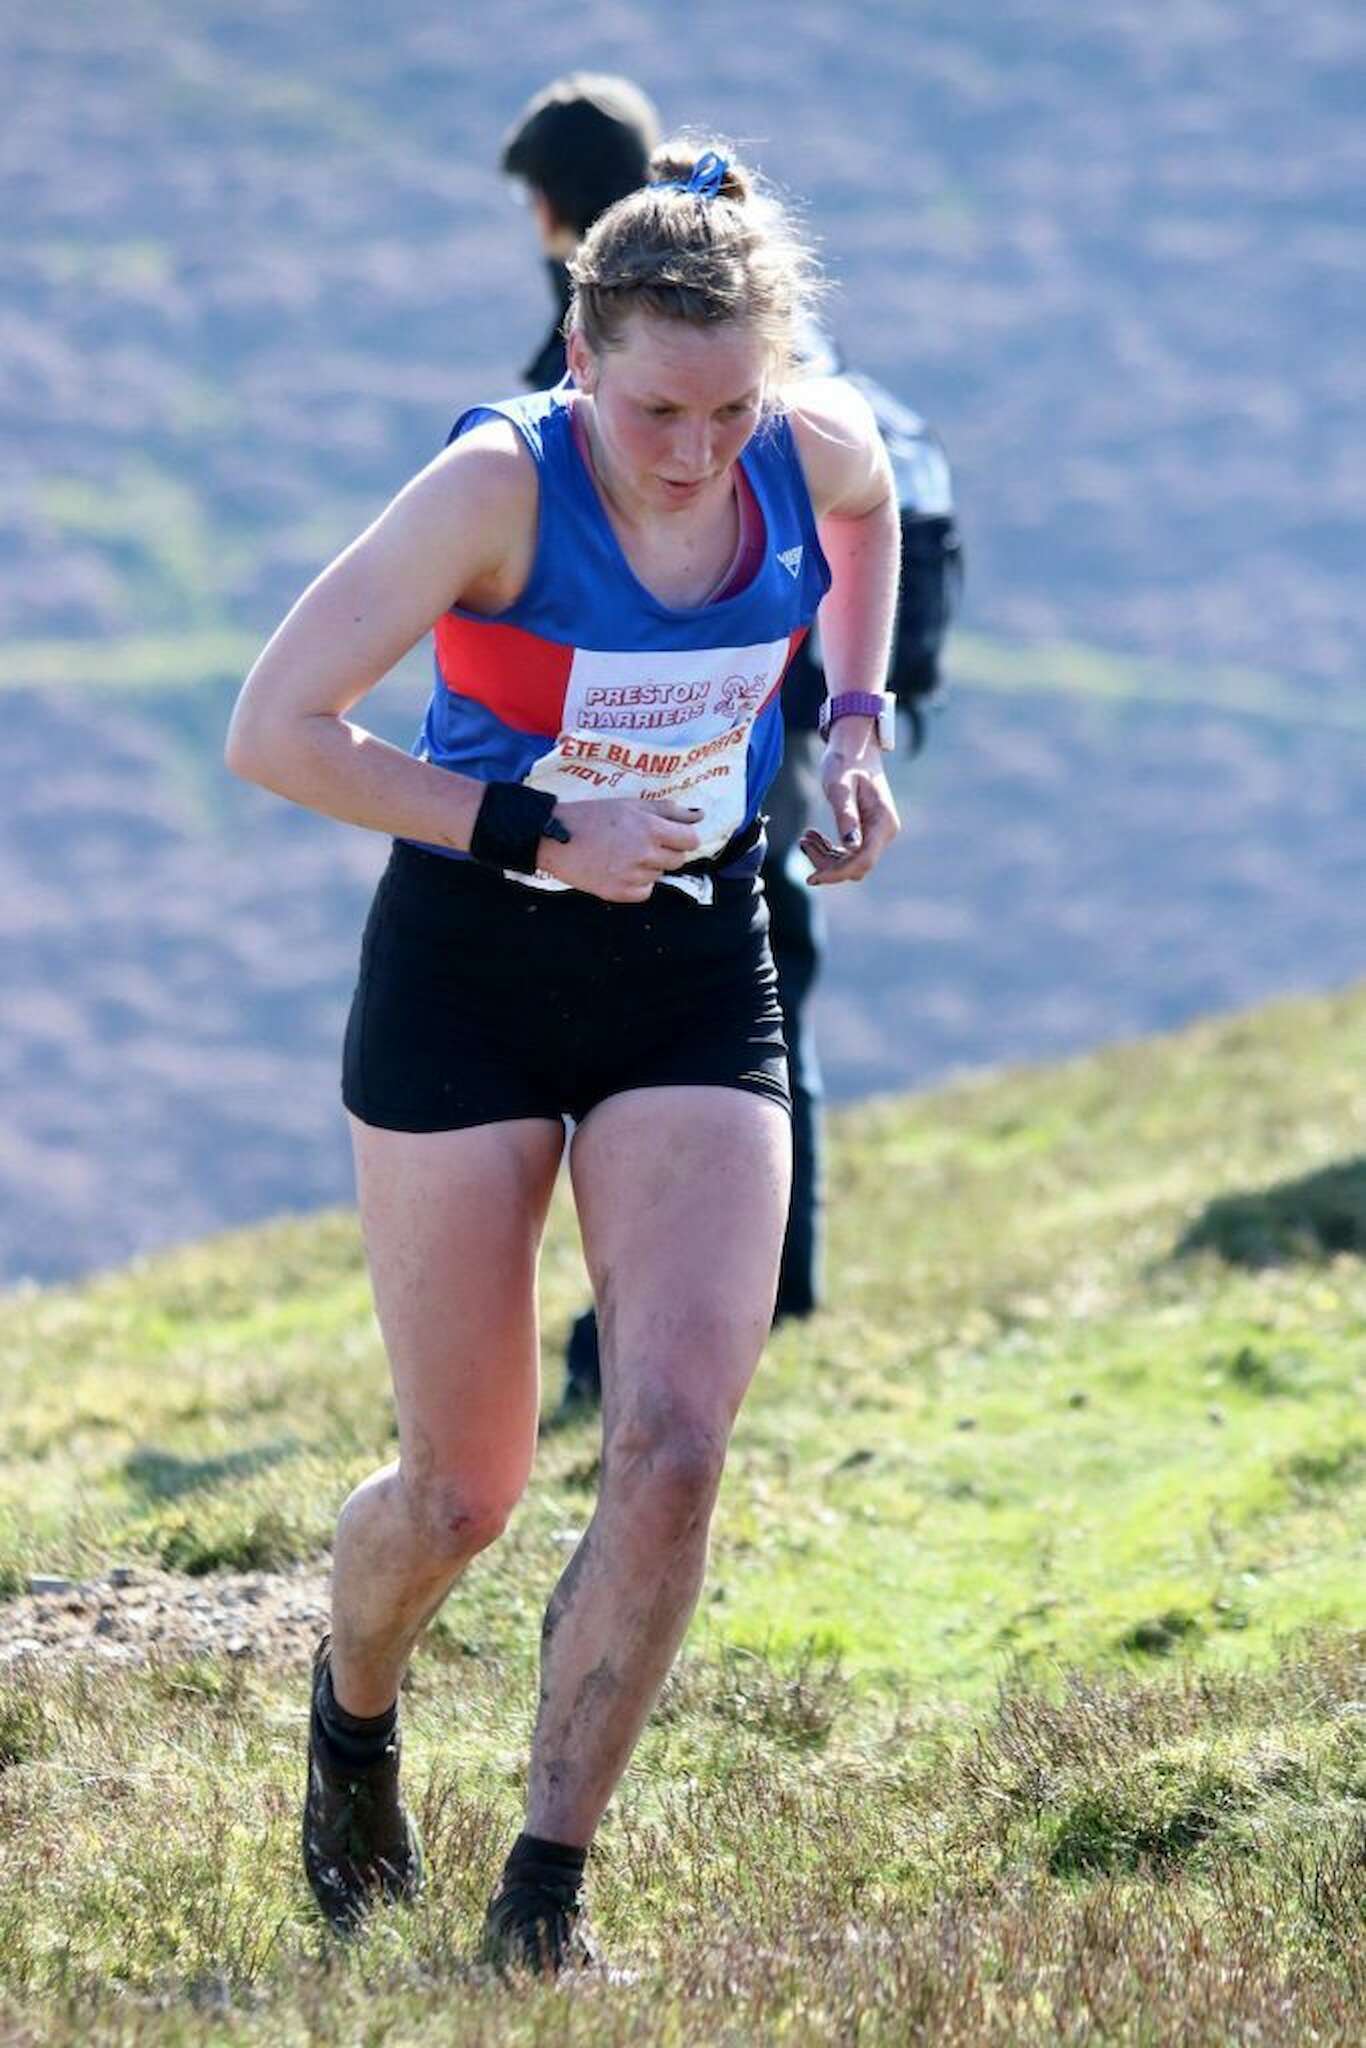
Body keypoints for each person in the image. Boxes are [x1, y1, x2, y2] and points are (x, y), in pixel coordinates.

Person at [226, 139, 902, 1973]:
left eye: (733, 407)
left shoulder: (797, 437)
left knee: (675, 1443)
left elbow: (865, 516)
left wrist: (851, 718)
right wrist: (528, 832)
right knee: (465, 1490)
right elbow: (278, 730)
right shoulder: (491, 489)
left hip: (693, 971)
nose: (699, 450)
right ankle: (352, 1710)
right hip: (471, 971)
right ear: (582, 356)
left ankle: (540, 1903)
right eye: (661, 409)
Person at [498, 78, 961, 1418]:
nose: (696, 449)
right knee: (763, 1020)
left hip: (670, 777)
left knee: (673, 1044)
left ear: (546, 212)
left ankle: (672, 1326)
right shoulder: (752, 349)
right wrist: (854, 722)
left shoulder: (599, 369)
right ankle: (765, 1290)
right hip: (772, 748)